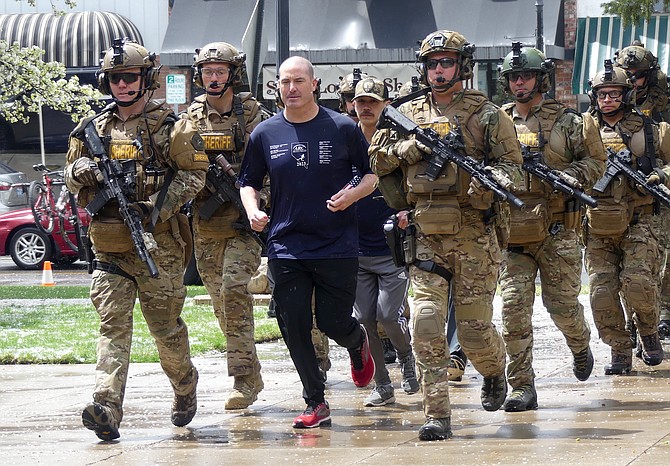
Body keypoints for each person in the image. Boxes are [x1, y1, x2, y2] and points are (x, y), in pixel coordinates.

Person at [369, 30, 523, 441]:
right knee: (425, 323)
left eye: (447, 63)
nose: (439, 71)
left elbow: (514, 170)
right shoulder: (406, 113)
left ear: (463, 66)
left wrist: (489, 179)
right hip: (424, 234)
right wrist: (410, 150)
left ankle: (493, 370)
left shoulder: (487, 114)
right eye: (433, 63)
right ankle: (437, 414)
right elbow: (377, 158)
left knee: (473, 331)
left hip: (474, 234)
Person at [64, 38, 207, 440]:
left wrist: (154, 208)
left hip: (157, 245)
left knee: (165, 330)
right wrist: (86, 171)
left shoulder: (173, 127)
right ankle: (106, 406)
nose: (122, 85)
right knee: (112, 327)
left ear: (147, 79)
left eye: (130, 77)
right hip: (109, 246)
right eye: (115, 79)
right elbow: (69, 176)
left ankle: (184, 387)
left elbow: (195, 175)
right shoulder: (91, 129)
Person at [238, 56, 377, 429]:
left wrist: (350, 197)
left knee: (332, 321)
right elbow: (248, 181)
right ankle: (315, 401)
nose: (291, 88)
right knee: (294, 323)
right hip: (286, 243)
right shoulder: (264, 134)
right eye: (284, 82)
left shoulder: (343, 127)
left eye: (299, 81)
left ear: (315, 84)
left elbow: (370, 177)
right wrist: (253, 210)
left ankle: (356, 340)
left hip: (336, 244)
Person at [497, 44, 605, 411]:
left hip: (559, 230)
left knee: (561, 307)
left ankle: (579, 344)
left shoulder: (571, 121)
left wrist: (569, 176)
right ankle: (521, 385)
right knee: (512, 309)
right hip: (513, 233)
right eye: (513, 77)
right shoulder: (497, 121)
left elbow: (596, 163)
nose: (519, 82)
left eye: (525, 75)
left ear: (540, 79)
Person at [183, 42, 264, 410]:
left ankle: (243, 381)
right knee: (221, 305)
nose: (213, 78)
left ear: (233, 74)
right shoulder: (188, 118)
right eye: (207, 71)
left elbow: (270, 162)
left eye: (220, 71)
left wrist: (259, 198)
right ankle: (253, 370)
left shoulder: (253, 114)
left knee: (234, 291)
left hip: (244, 222)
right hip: (206, 224)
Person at [584, 62, 670, 374]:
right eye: (602, 94)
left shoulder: (651, 130)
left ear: (626, 95)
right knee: (602, 292)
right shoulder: (581, 130)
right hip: (597, 222)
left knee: (638, 283)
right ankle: (619, 349)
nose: (608, 100)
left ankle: (647, 331)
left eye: (614, 94)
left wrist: (660, 174)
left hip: (641, 219)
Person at [350, 76, 419, 406]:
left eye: (372, 102)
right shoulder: (346, 142)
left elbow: (416, 182)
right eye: (360, 102)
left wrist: (409, 210)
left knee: (389, 316)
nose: (365, 107)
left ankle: (407, 358)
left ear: (385, 106)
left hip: (392, 248)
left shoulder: (397, 141)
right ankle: (382, 384)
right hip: (356, 248)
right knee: (365, 321)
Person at [613, 42, 670, 342]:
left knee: (660, 258)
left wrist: (661, 174)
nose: (633, 80)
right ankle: (633, 322)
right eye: (628, 74)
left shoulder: (664, 102)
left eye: (639, 75)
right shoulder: (612, 99)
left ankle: (663, 314)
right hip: (623, 192)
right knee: (631, 263)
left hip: (661, 183)